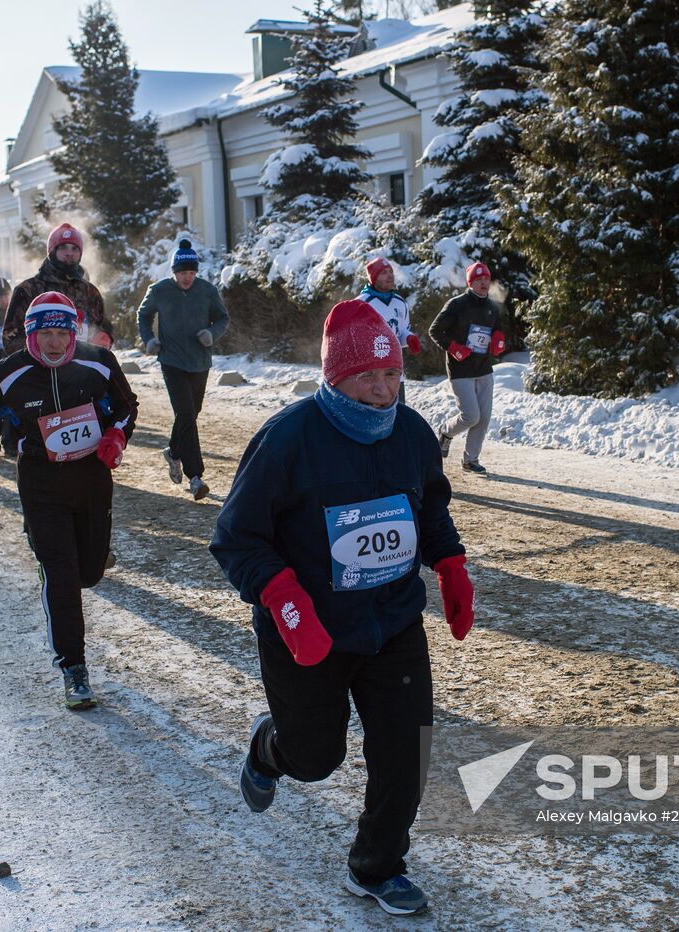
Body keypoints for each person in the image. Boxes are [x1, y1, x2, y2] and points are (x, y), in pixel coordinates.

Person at [210, 300, 475, 917]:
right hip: (310, 630)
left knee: (407, 752)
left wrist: (450, 563)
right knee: (314, 758)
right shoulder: (289, 438)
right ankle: (267, 750)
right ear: (335, 377)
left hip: (392, 624)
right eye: (366, 378)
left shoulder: (410, 432)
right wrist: (283, 599)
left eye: (391, 376)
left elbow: (429, 509)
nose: (382, 391)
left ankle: (376, 866)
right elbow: (236, 536)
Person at [0, 291, 137, 709]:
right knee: (60, 574)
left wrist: (116, 436)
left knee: (89, 572)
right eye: (43, 332)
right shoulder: (9, 372)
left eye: (60, 333)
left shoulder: (97, 362)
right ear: (30, 334)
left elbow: (126, 406)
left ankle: (87, 559)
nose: (52, 343)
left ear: (73, 332)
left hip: (91, 479)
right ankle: (74, 669)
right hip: (41, 482)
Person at [137, 238, 230, 500]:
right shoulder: (159, 290)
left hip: (200, 361)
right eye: (182, 273)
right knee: (187, 413)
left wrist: (212, 333)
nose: (187, 277)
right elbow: (143, 316)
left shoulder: (207, 291)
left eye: (191, 272)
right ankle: (196, 477)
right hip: (172, 360)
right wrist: (149, 340)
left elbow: (222, 318)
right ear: (174, 272)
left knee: (191, 413)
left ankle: (174, 452)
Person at [429, 261, 506, 474]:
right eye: (479, 279)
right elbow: (435, 331)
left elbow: (496, 329)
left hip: (483, 369)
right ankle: (446, 431)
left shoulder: (491, 307)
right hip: (460, 369)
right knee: (471, 416)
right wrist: (454, 348)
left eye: (486, 279)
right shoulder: (457, 304)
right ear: (470, 282)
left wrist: (498, 340)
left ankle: (470, 459)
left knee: (484, 417)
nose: (484, 282)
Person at [4, 223, 112, 354]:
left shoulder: (90, 292)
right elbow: (10, 337)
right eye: (63, 248)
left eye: (74, 249)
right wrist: (41, 352)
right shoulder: (28, 290)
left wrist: (103, 339)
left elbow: (102, 328)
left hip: (82, 370)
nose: (69, 253)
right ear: (52, 251)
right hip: (39, 370)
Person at [359, 258, 421, 405]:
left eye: (391, 272)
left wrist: (409, 339)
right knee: (374, 418)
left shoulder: (400, 303)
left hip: (395, 374)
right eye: (383, 273)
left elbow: (402, 332)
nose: (390, 276)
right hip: (370, 375)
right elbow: (355, 339)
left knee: (398, 416)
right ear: (373, 278)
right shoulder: (362, 303)